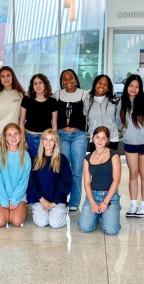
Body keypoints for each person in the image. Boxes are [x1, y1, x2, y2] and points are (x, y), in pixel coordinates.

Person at [116, 75, 144, 218]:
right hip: (130, 143)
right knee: (133, 175)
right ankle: (133, 204)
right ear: (126, 87)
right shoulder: (122, 102)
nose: (134, 89)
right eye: (131, 86)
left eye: (137, 87)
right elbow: (118, 122)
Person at [53, 69, 89, 211]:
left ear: (75, 79)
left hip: (78, 135)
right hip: (62, 136)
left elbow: (87, 114)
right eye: (65, 79)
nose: (68, 81)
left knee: (77, 170)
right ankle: (61, 199)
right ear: (62, 81)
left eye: (70, 78)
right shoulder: (58, 94)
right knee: (62, 169)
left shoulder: (83, 94)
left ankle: (74, 201)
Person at [77, 127, 122, 235]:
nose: (100, 141)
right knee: (85, 227)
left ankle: (108, 212)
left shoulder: (114, 155)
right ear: (93, 138)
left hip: (110, 196)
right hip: (94, 195)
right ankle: (98, 215)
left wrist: (105, 202)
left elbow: (116, 180)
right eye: (97, 137)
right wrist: (92, 203)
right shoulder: (87, 158)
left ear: (108, 140)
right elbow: (87, 183)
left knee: (111, 230)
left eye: (103, 138)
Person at [27, 129, 72, 228]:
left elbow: (66, 182)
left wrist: (56, 201)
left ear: (55, 142)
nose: (48, 142)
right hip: (40, 200)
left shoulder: (62, 159)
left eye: (51, 140)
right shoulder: (35, 160)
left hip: (58, 200)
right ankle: (42, 211)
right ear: (42, 141)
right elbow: (32, 182)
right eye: (45, 139)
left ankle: (61, 210)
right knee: (41, 222)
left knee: (54, 224)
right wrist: (41, 199)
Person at [0, 123, 31, 227]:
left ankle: (18, 208)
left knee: (17, 222)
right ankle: (1, 210)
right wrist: (3, 200)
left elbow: (24, 181)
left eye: (16, 134)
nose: (13, 137)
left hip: (17, 195)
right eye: (9, 135)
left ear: (21, 135)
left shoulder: (25, 155)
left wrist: (15, 200)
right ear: (5, 137)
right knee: (0, 222)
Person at [19, 73, 58, 158]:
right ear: (32, 86)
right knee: (29, 165)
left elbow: (54, 124)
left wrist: (53, 141)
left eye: (40, 82)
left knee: (43, 165)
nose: (38, 86)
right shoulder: (26, 100)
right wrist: (24, 141)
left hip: (45, 139)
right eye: (35, 83)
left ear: (45, 84)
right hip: (29, 138)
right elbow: (21, 121)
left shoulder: (52, 102)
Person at [0, 66, 26, 148]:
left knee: (12, 161)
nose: (6, 79)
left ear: (13, 76)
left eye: (8, 75)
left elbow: (22, 118)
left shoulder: (20, 95)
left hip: (13, 137)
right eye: (2, 76)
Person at [86, 75, 120, 152]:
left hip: (112, 138)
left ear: (108, 87)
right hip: (95, 139)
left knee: (111, 163)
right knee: (95, 163)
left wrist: (112, 126)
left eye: (105, 84)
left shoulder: (114, 100)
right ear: (95, 84)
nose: (102, 86)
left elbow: (119, 119)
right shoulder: (87, 101)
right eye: (100, 83)